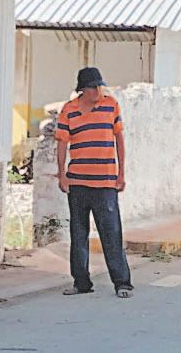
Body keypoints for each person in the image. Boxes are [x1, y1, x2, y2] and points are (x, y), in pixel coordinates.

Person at [56, 67, 133, 299]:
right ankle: (81, 282)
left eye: (99, 86)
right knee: (78, 235)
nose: (97, 91)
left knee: (112, 234)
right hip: (78, 182)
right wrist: (62, 175)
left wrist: (121, 173)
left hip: (106, 182)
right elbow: (62, 143)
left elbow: (119, 139)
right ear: (83, 89)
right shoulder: (69, 110)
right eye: (92, 87)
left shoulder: (111, 106)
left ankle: (122, 282)